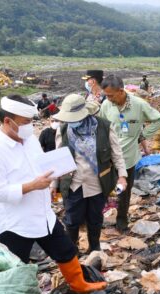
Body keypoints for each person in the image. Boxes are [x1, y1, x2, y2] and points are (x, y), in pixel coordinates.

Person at [0, 94, 106, 294]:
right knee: (14, 266)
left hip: (43, 214)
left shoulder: (29, 140)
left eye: (31, 122)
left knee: (65, 250)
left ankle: (79, 284)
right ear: (7, 121)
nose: (29, 126)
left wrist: (57, 170)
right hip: (16, 223)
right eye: (25, 122)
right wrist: (32, 185)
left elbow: (40, 164)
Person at [54, 94, 128, 253]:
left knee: (95, 219)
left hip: (97, 183)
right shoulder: (64, 129)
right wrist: (54, 184)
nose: (72, 122)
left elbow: (117, 154)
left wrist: (122, 176)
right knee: (72, 220)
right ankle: (71, 250)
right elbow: (57, 160)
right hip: (74, 183)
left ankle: (94, 247)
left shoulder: (104, 127)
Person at [98, 75, 160, 232]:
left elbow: (158, 119)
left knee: (124, 192)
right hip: (109, 157)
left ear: (121, 91)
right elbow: (100, 126)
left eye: (110, 95)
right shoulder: (106, 105)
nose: (108, 98)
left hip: (128, 157)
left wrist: (142, 135)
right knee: (103, 189)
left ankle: (121, 221)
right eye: (106, 95)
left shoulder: (139, 105)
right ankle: (98, 220)